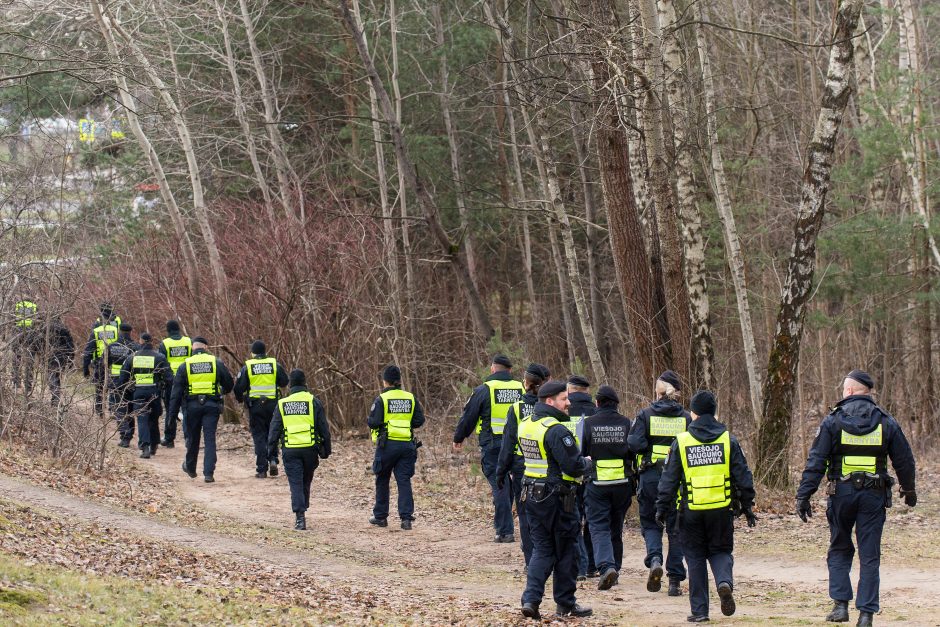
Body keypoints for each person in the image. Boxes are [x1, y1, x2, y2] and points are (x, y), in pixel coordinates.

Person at [795, 370, 916, 627]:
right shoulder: (886, 422)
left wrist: (804, 495)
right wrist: (909, 488)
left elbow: (816, 461)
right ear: (867, 392)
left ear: (849, 391)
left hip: (841, 494)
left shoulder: (832, 421)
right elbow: (904, 459)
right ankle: (866, 614)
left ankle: (840, 606)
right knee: (869, 554)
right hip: (873, 495)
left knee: (839, 548)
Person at [656, 390, 756, 623]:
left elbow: (669, 479)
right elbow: (743, 476)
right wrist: (747, 504)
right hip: (721, 510)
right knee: (721, 551)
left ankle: (700, 611)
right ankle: (723, 582)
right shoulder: (728, 439)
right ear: (714, 412)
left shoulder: (681, 441)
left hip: (691, 511)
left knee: (695, 558)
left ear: (693, 413)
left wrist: (661, 507)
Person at [518, 380, 593, 620]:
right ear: (550, 401)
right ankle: (565, 604)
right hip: (558, 498)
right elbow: (572, 465)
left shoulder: (527, 424)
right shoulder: (557, 430)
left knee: (542, 549)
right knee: (567, 551)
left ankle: (531, 599)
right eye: (564, 399)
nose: (569, 403)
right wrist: (587, 463)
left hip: (532, 496)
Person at [628, 369, 690, 595]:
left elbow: (634, 443)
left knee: (651, 522)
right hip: (677, 481)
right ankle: (674, 581)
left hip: (651, 477)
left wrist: (648, 449)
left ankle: (655, 559)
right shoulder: (685, 417)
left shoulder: (645, 415)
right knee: (676, 529)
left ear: (658, 391)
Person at [453, 354, 525, 543]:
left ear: (493, 369)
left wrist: (459, 437)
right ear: (509, 370)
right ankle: (520, 529)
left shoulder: (484, 389)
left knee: (499, 484)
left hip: (493, 444)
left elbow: (469, 416)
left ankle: (504, 531)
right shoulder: (521, 388)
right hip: (519, 445)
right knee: (512, 486)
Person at [497, 363, 551, 568]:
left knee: (526, 514)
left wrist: (501, 471)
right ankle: (548, 558)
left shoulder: (517, 408)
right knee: (547, 514)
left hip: (522, 468)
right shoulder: (549, 407)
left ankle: (532, 562)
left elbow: (508, 443)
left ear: (525, 383)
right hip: (547, 467)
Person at [580, 385, 633, 591]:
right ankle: (615, 570)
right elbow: (632, 451)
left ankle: (606, 566)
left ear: (597, 403)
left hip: (597, 484)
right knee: (615, 527)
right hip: (622, 485)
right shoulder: (626, 423)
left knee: (598, 526)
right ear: (616, 404)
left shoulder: (588, 424)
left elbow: (582, 452)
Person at [268, 369, 331, 530]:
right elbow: (323, 428)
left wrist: (271, 453)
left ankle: (300, 517)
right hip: (310, 449)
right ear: (305, 383)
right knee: (306, 479)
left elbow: (274, 430)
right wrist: (326, 449)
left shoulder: (282, 404)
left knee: (295, 482)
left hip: (290, 450)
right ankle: (303, 506)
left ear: (290, 385)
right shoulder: (313, 401)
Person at [168, 337, 234, 483]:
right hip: (211, 406)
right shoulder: (216, 362)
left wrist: (171, 416)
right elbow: (229, 384)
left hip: (191, 407)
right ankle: (208, 473)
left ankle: (191, 468)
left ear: (193, 348)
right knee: (210, 438)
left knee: (193, 438)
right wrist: (220, 390)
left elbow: (176, 393)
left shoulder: (185, 365)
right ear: (206, 347)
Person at [368, 364, 425, 530]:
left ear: (385, 381)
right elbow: (419, 420)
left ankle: (380, 517)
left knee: (382, 479)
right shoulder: (410, 397)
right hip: (407, 445)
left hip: (387, 446)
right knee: (404, 481)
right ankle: (406, 519)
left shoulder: (382, 399)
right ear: (399, 381)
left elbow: (373, 421)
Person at [234, 340, 289, 478]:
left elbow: (238, 388)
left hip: (256, 406)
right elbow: (285, 381)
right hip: (273, 405)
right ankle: (273, 459)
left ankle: (261, 469)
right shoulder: (274, 364)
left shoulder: (248, 366)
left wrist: (241, 399)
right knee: (273, 433)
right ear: (265, 352)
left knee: (259, 436)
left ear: (252, 353)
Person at [118, 333, 171, 459]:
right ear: (151, 342)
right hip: (154, 392)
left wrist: (127, 391)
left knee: (142, 419)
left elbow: (123, 378)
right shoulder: (159, 357)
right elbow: (169, 377)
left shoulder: (132, 357)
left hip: (138, 392)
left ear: (140, 341)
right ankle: (154, 445)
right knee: (153, 419)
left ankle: (145, 448)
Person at [566, 375, 596, 580]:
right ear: (586, 391)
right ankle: (592, 565)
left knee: (574, 520)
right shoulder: (596, 411)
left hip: (570, 472)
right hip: (593, 473)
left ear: (570, 390)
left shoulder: (563, 411)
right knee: (593, 520)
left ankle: (578, 565)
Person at [82, 306, 120, 419]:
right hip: (115, 362)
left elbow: (88, 351)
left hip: (100, 362)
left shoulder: (96, 331)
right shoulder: (116, 331)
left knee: (99, 387)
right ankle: (113, 409)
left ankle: (99, 411)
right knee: (114, 387)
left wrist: (86, 369)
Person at [159, 320, 191, 448]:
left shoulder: (165, 343)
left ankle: (169, 438)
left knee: (170, 410)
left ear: (168, 330)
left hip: (170, 381)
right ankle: (189, 439)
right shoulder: (189, 341)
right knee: (186, 410)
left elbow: (161, 363)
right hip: (187, 380)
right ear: (179, 329)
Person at [109, 323, 140, 447]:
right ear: (130, 332)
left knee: (119, 408)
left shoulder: (111, 346)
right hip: (131, 382)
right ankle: (129, 433)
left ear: (119, 331)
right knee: (130, 409)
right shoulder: (136, 347)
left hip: (116, 381)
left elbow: (103, 364)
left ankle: (125, 435)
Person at [43, 316, 75, 407]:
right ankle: (56, 398)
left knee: (52, 377)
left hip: (50, 356)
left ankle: (55, 399)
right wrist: (71, 359)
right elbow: (70, 346)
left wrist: (41, 357)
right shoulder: (64, 329)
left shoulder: (46, 328)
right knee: (57, 376)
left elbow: (41, 343)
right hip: (62, 357)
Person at [11, 297, 39, 395]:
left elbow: (12, 320)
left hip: (17, 333)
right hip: (30, 334)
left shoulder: (18, 305)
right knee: (30, 360)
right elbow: (37, 322)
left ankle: (15, 382)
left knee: (16, 358)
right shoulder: (35, 306)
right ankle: (28, 386)